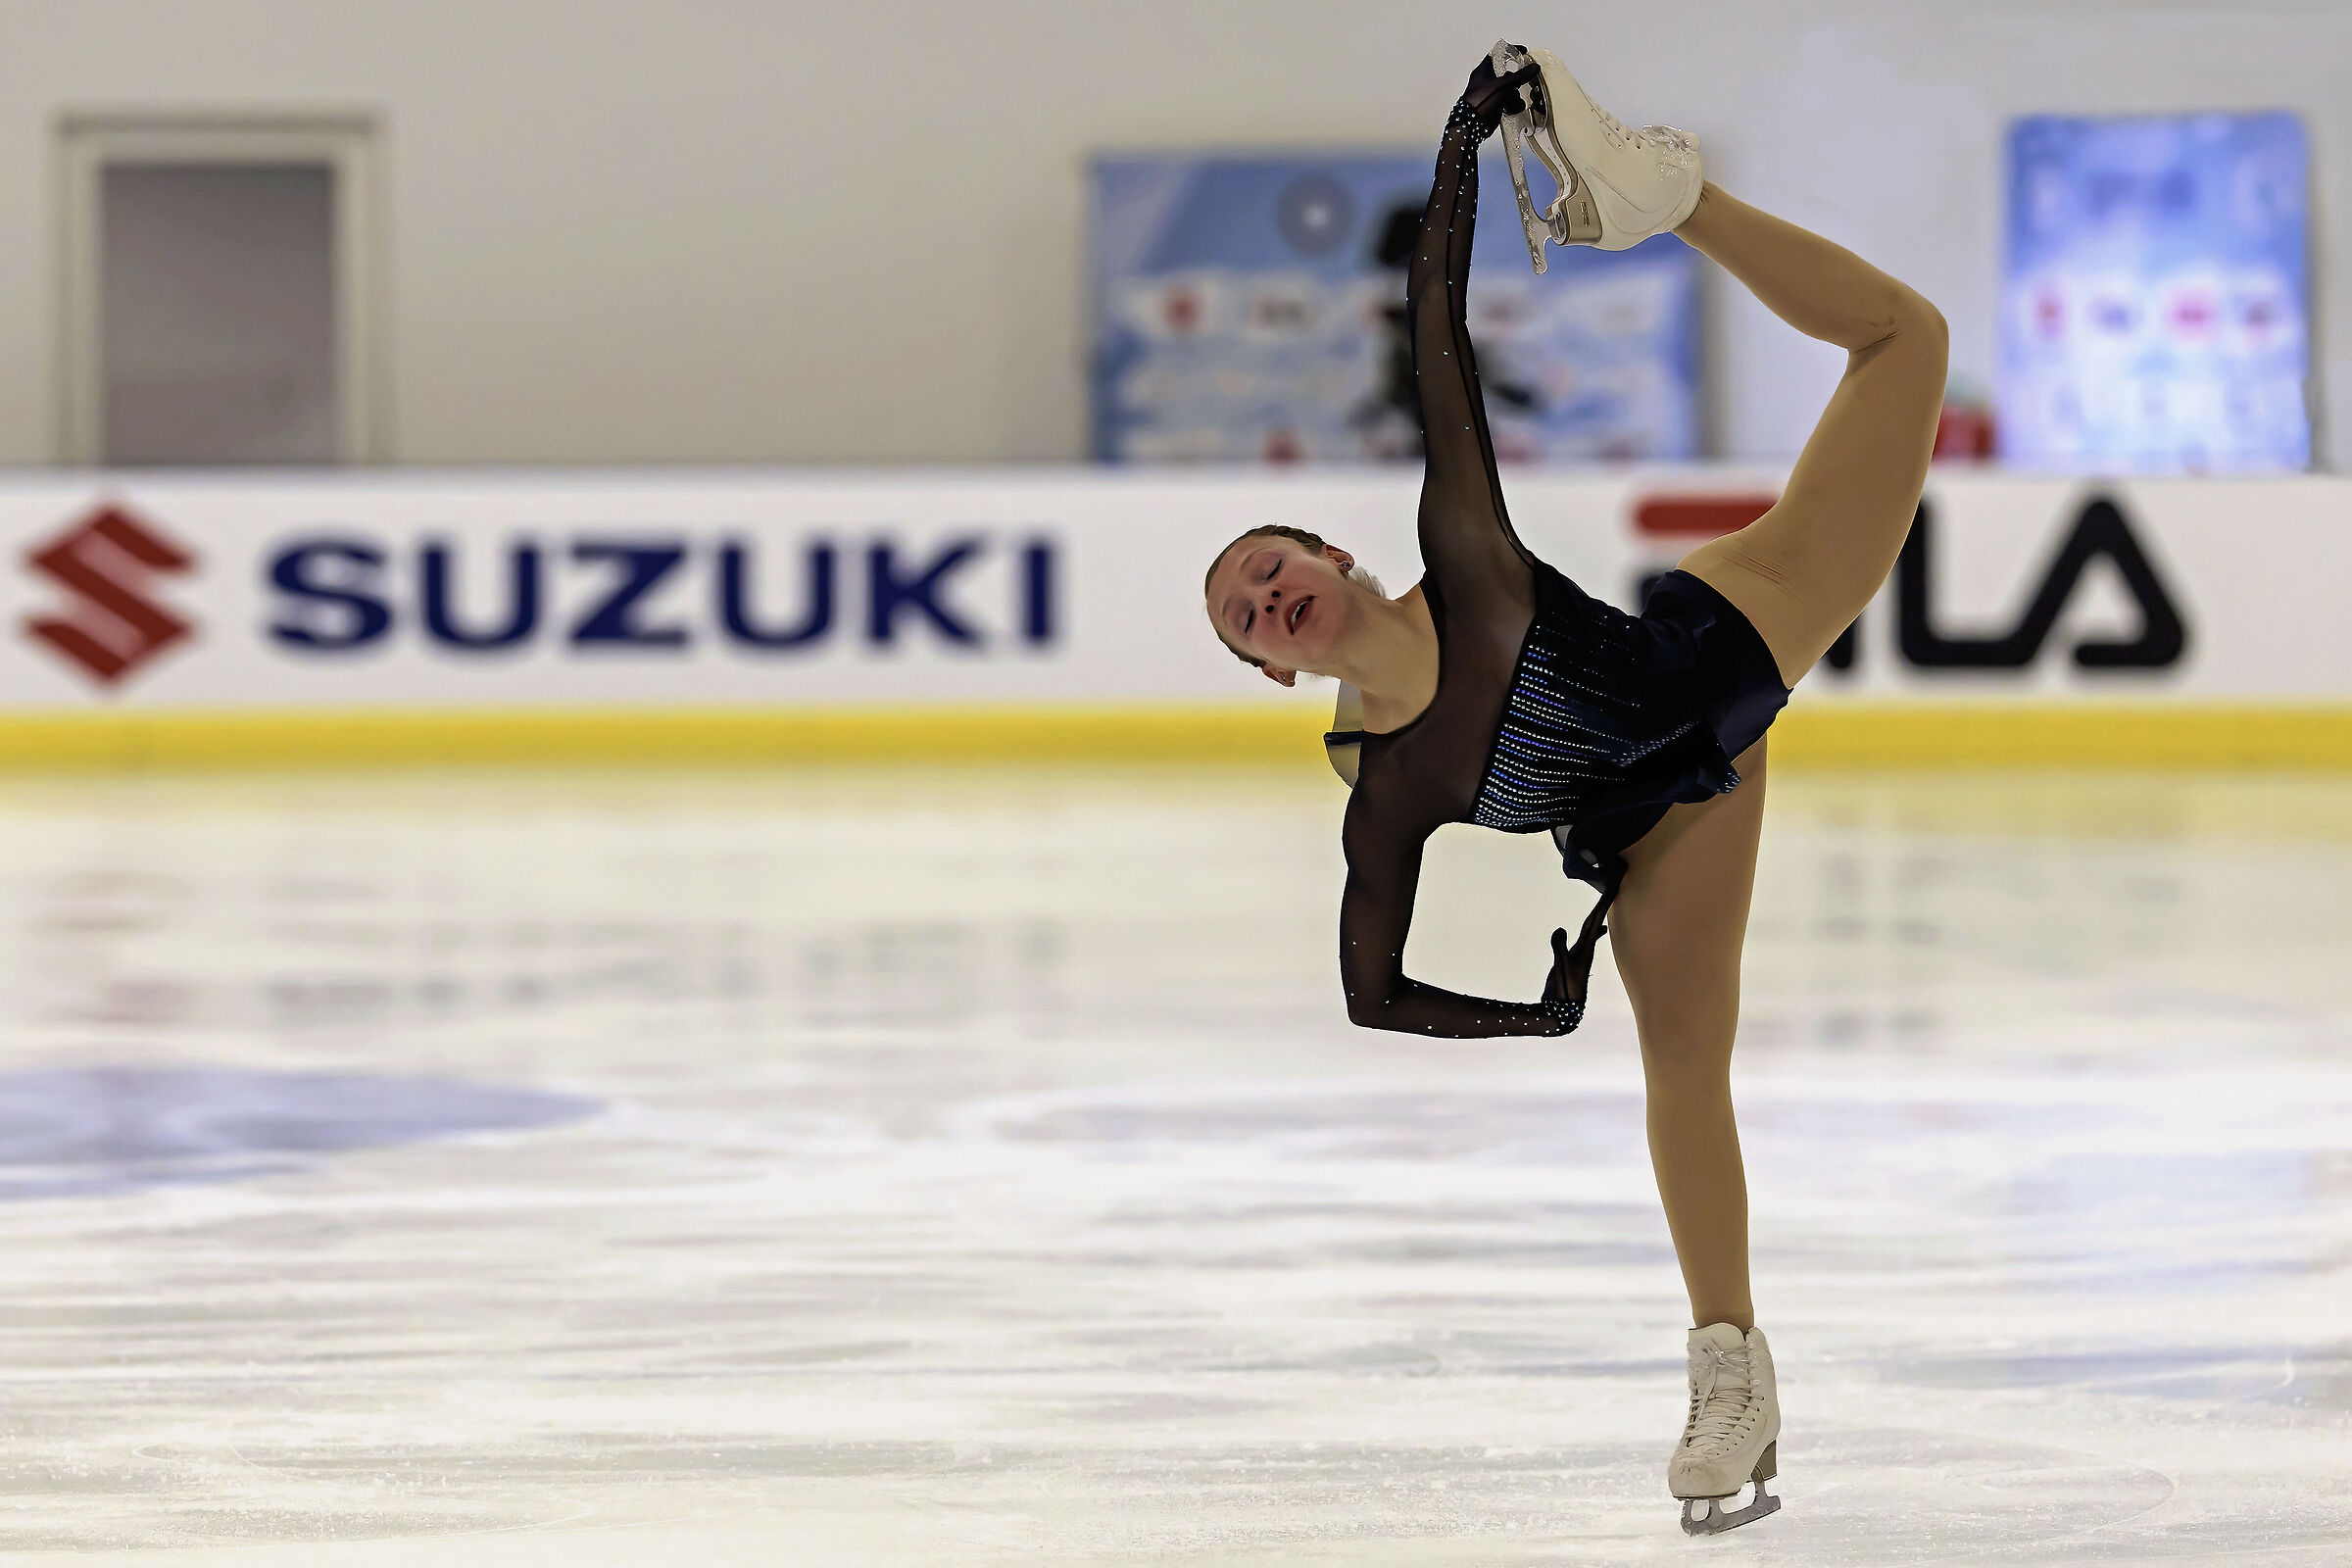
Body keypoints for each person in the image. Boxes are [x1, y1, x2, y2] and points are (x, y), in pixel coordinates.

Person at [1200, 42, 1946, 1535]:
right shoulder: (1386, 788)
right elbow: (1371, 987)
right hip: (1662, 824)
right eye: (1241, 615)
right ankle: (1731, 1376)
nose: (1265, 596)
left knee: (1904, 340)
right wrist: (1539, 1008)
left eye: (1269, 567)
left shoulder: (1467, 563)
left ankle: (1675, 197)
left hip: (1723, 645)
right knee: (1685, 1069)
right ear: (1273, 673)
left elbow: (1434, 338)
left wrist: (1470, 141)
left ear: (1334, 559)